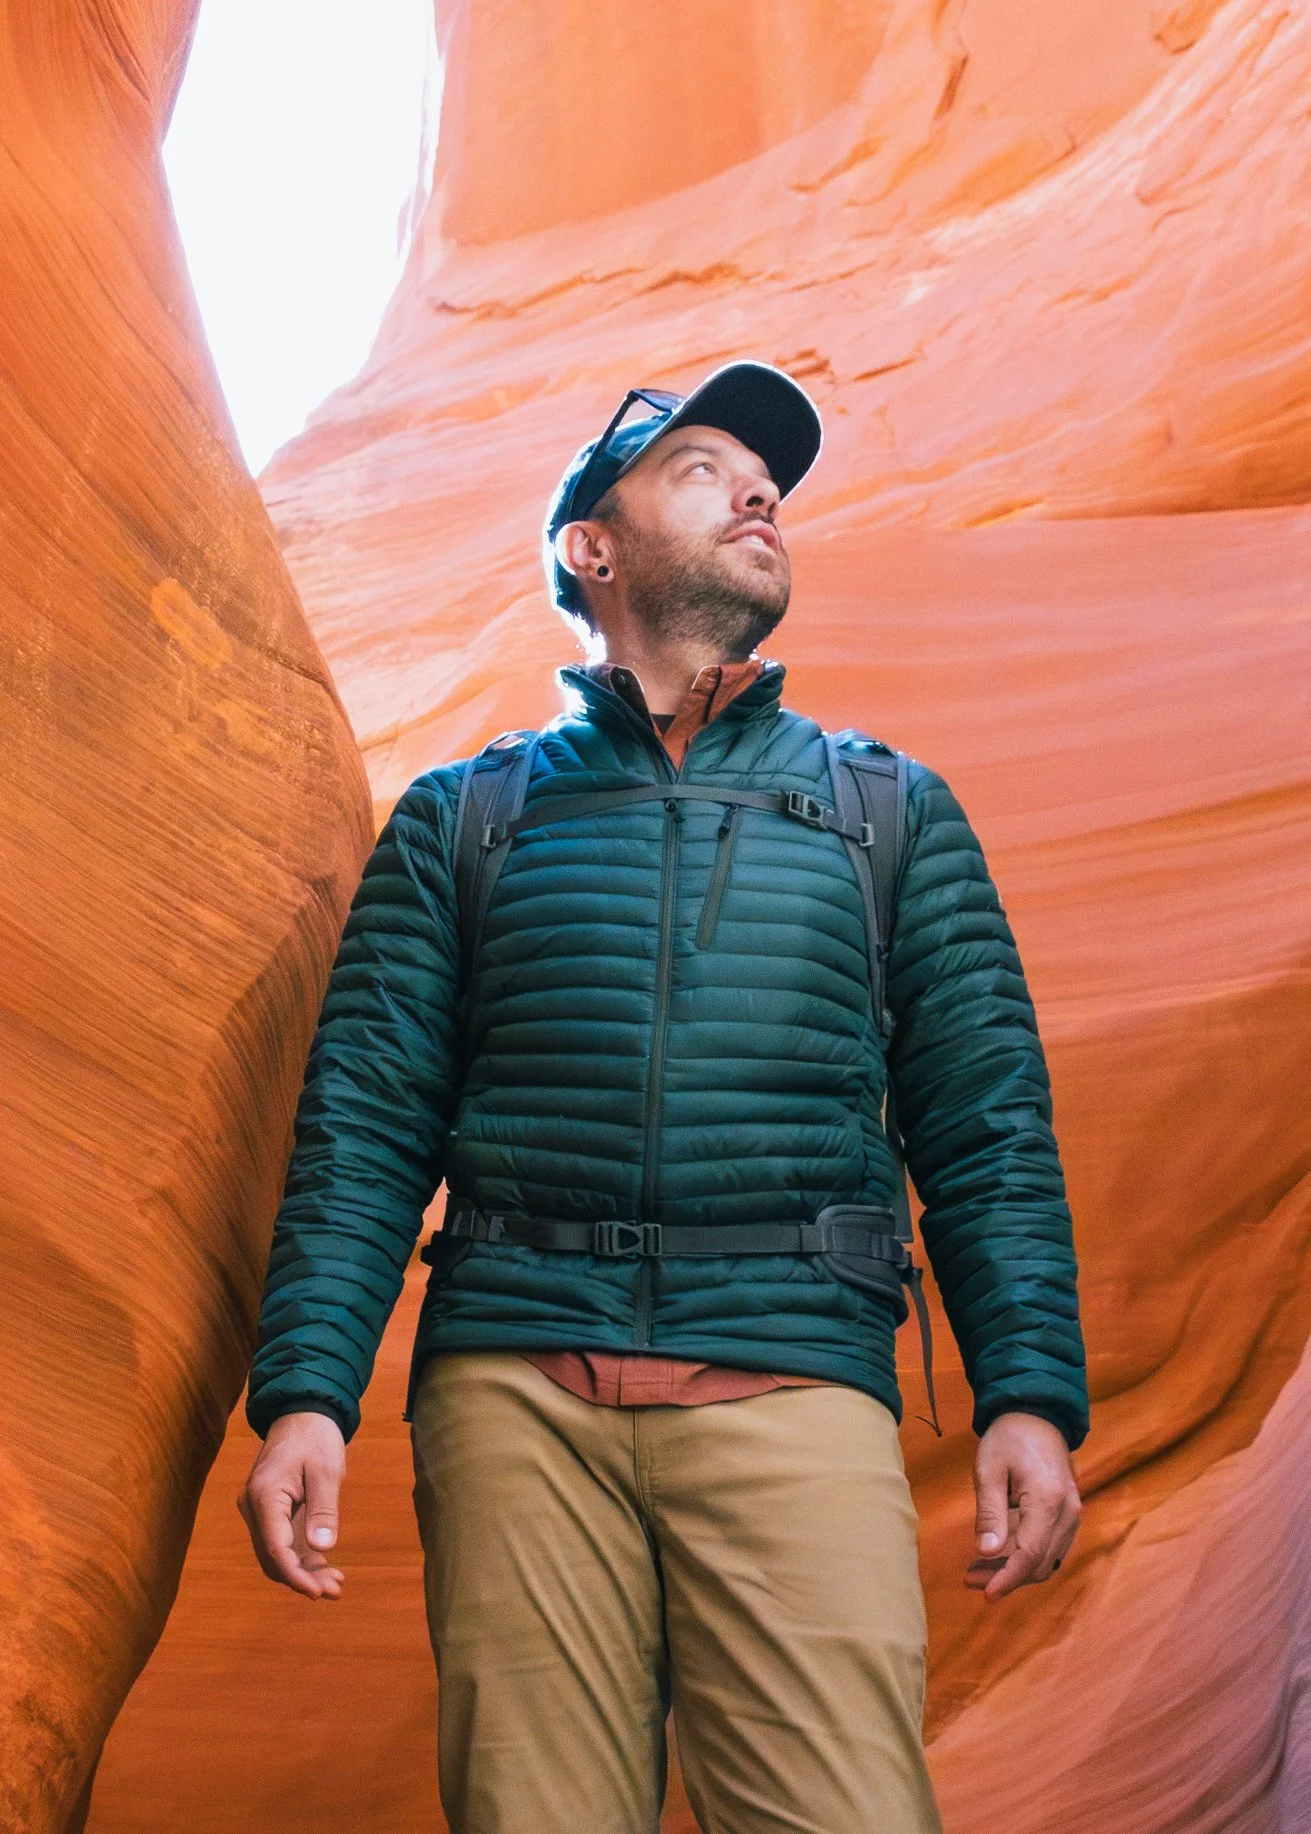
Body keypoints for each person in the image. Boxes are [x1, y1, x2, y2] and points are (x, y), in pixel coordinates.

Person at [239, 361, 1088, 1834]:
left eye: (769, 482)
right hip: (517, 1403)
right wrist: (306, 1390)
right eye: (702, 468)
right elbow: (364, 1122)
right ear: (594, 545)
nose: (759, 493)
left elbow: (986, 1124)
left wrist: (1026, 1392)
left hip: (793, 1383)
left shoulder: (890, 810)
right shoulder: (463, 816)